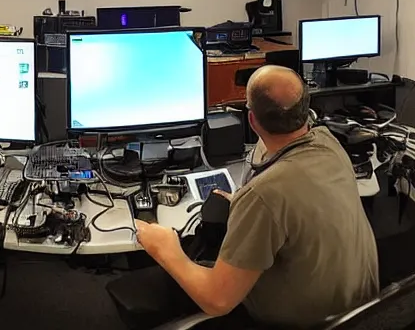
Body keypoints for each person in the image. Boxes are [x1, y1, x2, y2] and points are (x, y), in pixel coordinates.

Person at [130, 65, 379, 329]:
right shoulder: (329, 144)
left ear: (251, 120)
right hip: (360, 312)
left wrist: (166, 249)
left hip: (307, 324)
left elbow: (217, 301)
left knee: (177, 273)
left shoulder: (262, 196)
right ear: (307, 110)